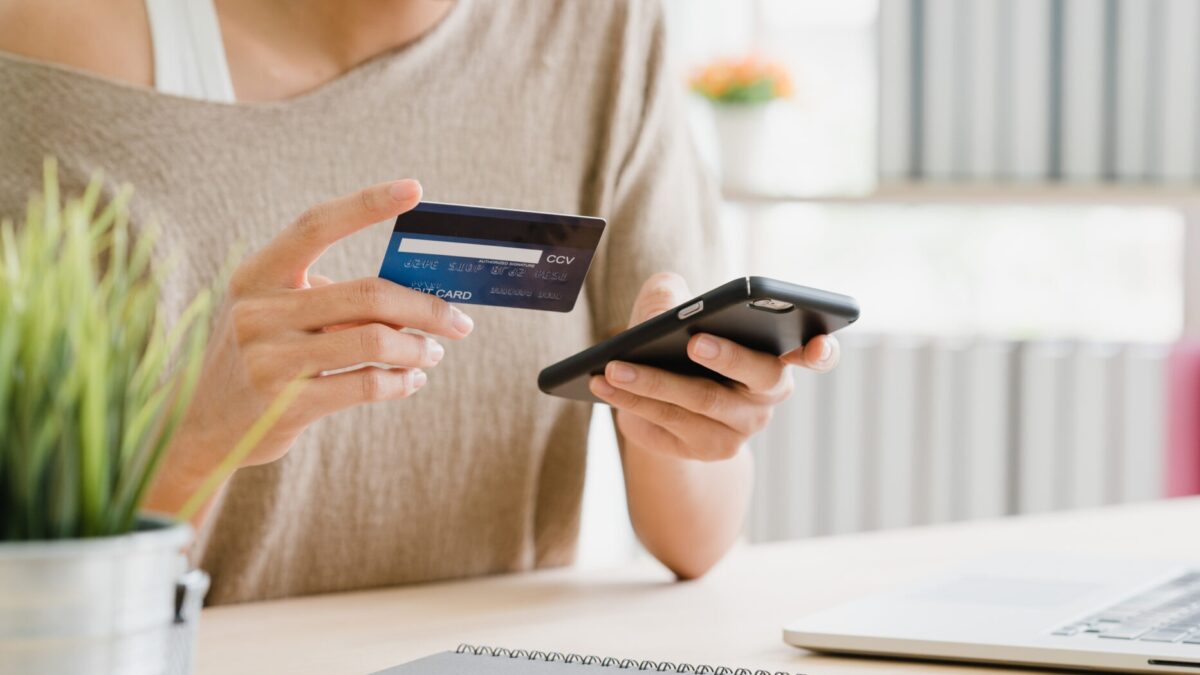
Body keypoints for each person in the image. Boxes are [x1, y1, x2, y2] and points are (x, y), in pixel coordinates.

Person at [0, 0, 840, 605]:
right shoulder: (47, 46)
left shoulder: (602, 34)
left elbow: (694, 541)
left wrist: (681, 412)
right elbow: (37, 606)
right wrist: (197, 437)